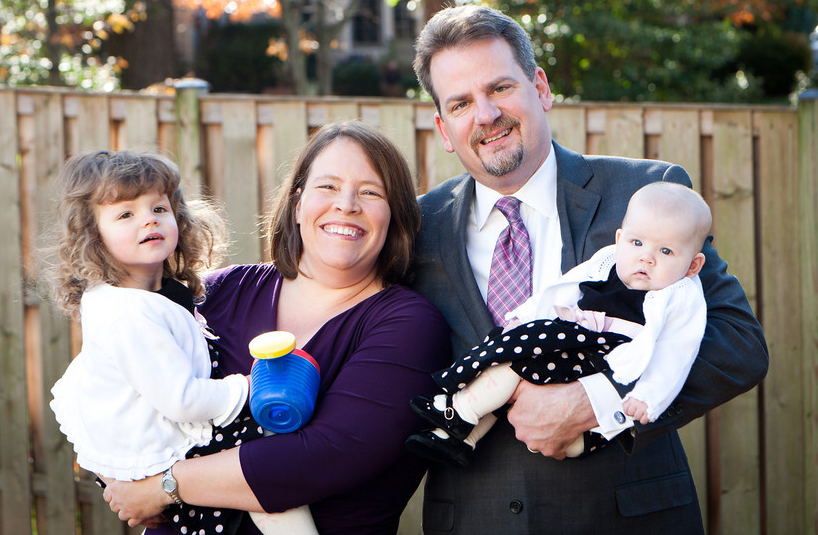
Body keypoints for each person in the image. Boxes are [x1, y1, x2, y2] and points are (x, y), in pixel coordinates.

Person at [409, 5, 768, 533]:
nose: (485, 115)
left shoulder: (644, 195)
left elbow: (738, 344)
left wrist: (596, 402)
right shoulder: (417, 228)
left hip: (627, 519)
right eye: (460, 103)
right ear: (444, 127)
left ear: (541, 87)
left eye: (500, 88)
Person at [101, 121, 452, 535]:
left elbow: (322, 458)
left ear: (395, 216)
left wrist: (165, 485)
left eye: (371, 192)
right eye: (328, 186)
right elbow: (114, 385)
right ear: (298, 204)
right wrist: (117, 478)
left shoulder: (410, 325)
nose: (346, 205)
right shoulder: (218, 292)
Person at [45, 149, 315, 535]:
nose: (149, 220)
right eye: (125, 214)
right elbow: (182, 400)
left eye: (159, 208)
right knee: (267, 465)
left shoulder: (153, 294)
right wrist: (248, 387)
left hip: (164, 436)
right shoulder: (128, 314)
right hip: (166, 444)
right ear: (94, 236)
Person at [406, 182, 712, 467]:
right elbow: (564, 289)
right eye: (637, 242)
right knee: (518, 363)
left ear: (693, 265)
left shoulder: (681, 296)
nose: (647, 258)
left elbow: (677, 352)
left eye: (666, 251)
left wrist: (648, 397)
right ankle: (463, 436)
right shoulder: (608, 261)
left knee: (515, 361)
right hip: (576, 342)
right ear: (620, 240)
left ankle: (459, 410)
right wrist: (524, 317)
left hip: (609, 356)